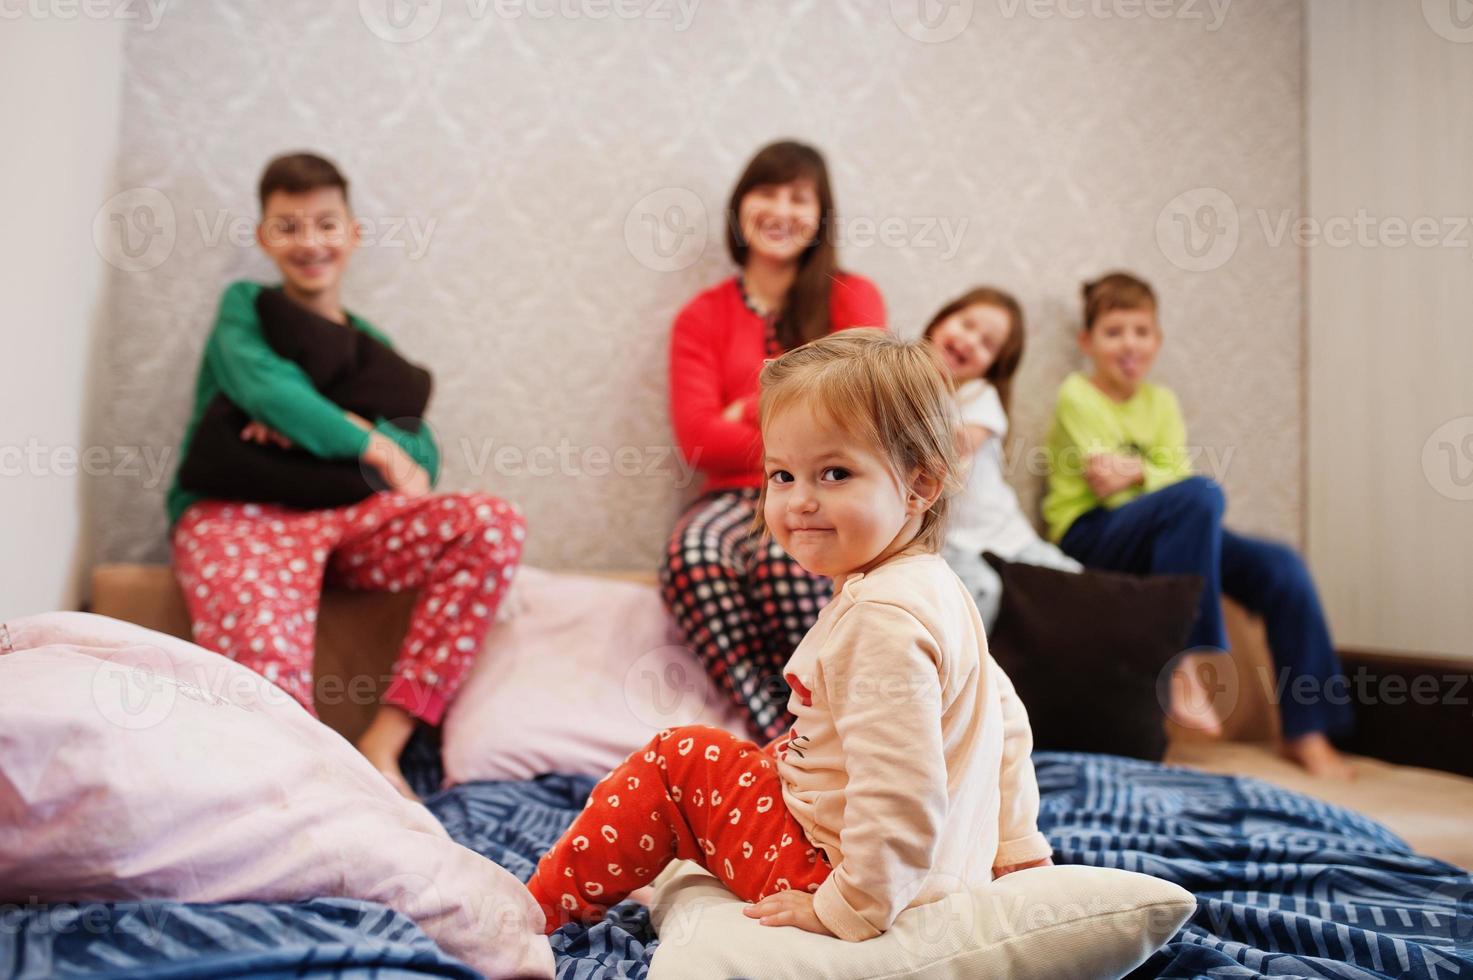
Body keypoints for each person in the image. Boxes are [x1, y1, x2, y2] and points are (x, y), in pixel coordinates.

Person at [529, 331, 1052, 939]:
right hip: (929, 867)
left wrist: (849, 908)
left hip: (837, 874)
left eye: (834, 473)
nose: (799, 502)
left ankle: (539, 906)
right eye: (781, 475)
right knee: (774, 754)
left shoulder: (881, 619)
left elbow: (898, 798)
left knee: (680, 763)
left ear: (921, 485)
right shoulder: (938, 586)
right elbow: (1003, 721)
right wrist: (1016, 850)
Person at [167, 152, 526, 797]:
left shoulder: (376, 350)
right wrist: (367, 442)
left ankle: (384, 746)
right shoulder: (244, 307)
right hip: (242, 519)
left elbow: (421, 458)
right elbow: (269, 388)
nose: (310, 242)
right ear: (264, 237)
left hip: (351, 524)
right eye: (289, 226)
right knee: (267, 686)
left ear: (353, 234)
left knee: (492, 523)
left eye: (326, 224)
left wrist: (332, 429)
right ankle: (298, 793)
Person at [1043, 271, 1353, 777]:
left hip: (1164, 526)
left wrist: (1140, 472)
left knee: (1280, 564)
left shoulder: (1160, 402)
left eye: (1141, 332)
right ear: (1088, 343)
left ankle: (1307, 729)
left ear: (1157, 341)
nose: (1130, 344)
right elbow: (1105, 482)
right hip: (1093, 532)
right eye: (1114, 332)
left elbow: (1170, 479)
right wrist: (1156, 477)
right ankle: (1186, 663)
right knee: (1199, 496)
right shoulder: (1078, 394)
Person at [660, 140, 885, 741]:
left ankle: (843, 734)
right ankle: (778, 741)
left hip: (833, 489)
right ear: (740, 208)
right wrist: (804, 409)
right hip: (734, 497)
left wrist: (749, 407)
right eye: (768, 192)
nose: (781, 210)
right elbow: (700, 443)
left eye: (799, 197)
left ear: (821, 216)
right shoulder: (700, 317)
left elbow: (860, 412)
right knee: (693, 555)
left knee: (790, 552)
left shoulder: (851, 296)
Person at [923, 286, 1081, 629]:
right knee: (982, 591)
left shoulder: (980, 395)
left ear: (994, 366)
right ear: (940, 320)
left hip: (1002, 529)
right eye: (966, 325)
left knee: (1074, 581)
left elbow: (959, 444)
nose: (970, 341)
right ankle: (970, 670)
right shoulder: (904, 385)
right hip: (947, 541)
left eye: (986, 343)